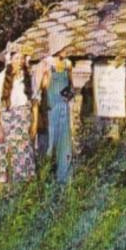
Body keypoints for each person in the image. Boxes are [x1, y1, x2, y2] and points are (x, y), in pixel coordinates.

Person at [0, 48, 39, 191]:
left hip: (23, 122)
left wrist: (34, 124)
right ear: (10, 60)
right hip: (5, 121)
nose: (19, 61)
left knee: (22, 155)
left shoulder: (29, 78)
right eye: (17, 58)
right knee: (1, 154)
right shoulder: (1, 78)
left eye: (22, 58)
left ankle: (22, 191)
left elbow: (35, 102)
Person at [41, 45, 73, 184]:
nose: (66, 51)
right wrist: (46, 73)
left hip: (63, 108)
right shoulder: (48, 63)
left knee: (64, 144)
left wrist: (69, 95)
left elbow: (71, 85)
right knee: (49, 143)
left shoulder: (68, 64)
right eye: (64, 48)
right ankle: (45, 177)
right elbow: (43, 87)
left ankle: (64, 179)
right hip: (51, 108)